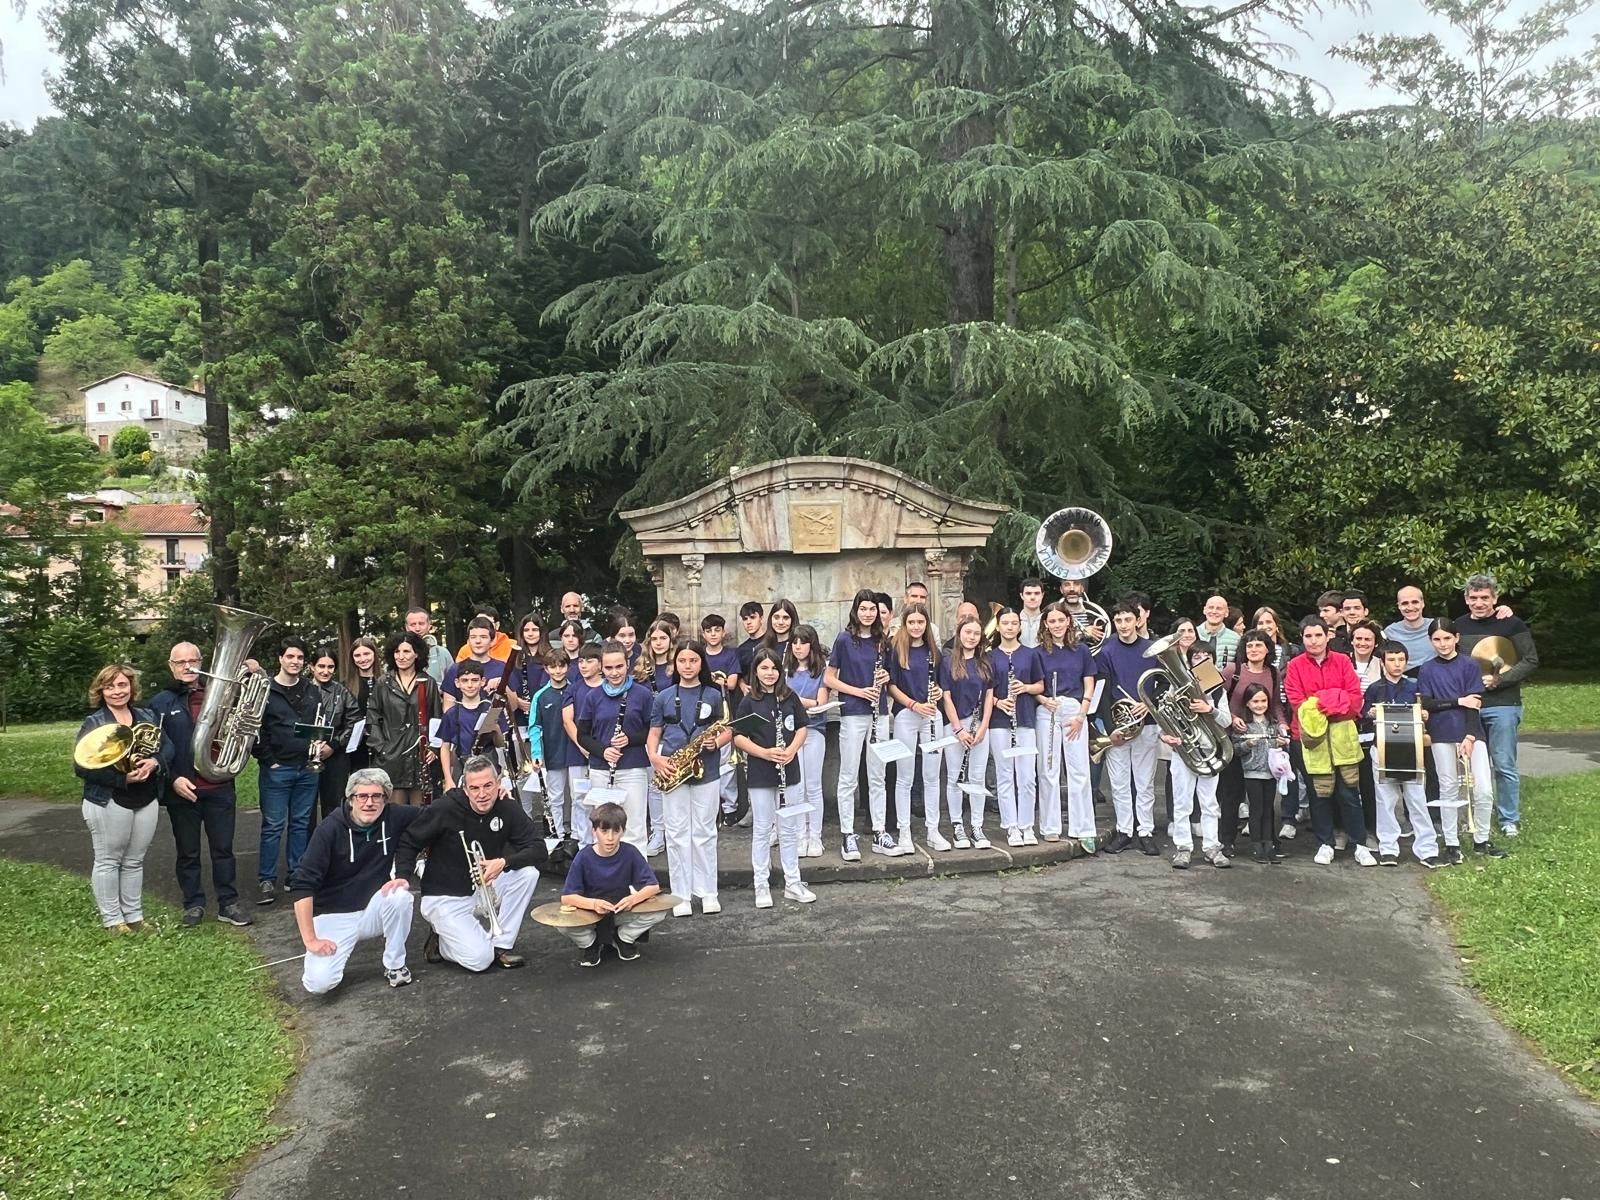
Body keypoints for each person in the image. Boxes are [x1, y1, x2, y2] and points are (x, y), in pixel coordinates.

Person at [396, 755, 546, 970]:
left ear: (498, 784)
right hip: (445, 897)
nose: (482, 794)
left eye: (488, 786)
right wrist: (402, 876)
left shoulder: (507, 807)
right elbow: (409, 841)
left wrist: (504, 862)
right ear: (465, 789)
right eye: (475, 788)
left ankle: (500, 945)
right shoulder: (445, 808)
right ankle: (442, 942)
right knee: (479, 961)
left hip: (482, 889)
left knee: (528, 873)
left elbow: (539, 849)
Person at [289, 767, 420, 993]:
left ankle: (395, 965)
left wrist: (496, 796)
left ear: (386, 799)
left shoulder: (395, 816)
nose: (369, 803)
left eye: (376, 796)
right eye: (362, 796)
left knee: (400, 896)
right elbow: (302, 885)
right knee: (319, 984)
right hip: (334, 914)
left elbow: (439, 813)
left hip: (372, 909)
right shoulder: (329, 829)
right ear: (351, 799)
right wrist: (310, 940)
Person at [149, 643, 251, 928]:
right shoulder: (160, 703)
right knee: (188, 852)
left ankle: (228, 903)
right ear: (171, 666)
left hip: (219, 786)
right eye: (180, 662)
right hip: (183, 789)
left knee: (223, 850)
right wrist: (171, 779)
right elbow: (153, 749)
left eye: (192, 661)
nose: (187, 666)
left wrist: (252, 674)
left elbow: (243, 729)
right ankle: (193, 904)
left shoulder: (222, 695)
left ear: (202, 663)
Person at [75, 663, 173, 932]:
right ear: (101, 690)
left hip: (145, 797)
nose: (117, 691)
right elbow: (81, 767)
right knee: (108, 859)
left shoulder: (146, 715)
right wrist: (122, 778)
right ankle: (112, 920)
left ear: (131, 687)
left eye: (122, 685)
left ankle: (134, 917)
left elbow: (168, 747)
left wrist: (154, 762)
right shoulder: (95, 722)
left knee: (134, 860)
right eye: (110, 686)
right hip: (109, 799)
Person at [646, 637, 730, 915]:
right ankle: (680, 894)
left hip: (707, 770)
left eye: (693, 660)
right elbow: (654, 735)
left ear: (701, 663)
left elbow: (726, 728)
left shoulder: (714, 694)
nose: (688, 665)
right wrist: (656, 759)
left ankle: (708, 892)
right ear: (675, 663)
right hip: (673, 768)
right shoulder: (663, 697)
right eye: (682, 660)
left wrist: (716, 743)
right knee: (677, 833)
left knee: (705, 832)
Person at [1453, 573, 1539, 837]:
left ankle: (1509, 819)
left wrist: (1499, 680)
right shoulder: (1458, 626)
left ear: (1495, 598)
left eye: (1485, 598)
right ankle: (1476, 815)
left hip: (1503, 704)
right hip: (1470, 706)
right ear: (1466, 599)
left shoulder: (1511, 623)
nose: (1480, 603)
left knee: (1503, 764)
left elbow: (1530, 660)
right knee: (1471, 767)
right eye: (1474, 598)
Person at [1285, 617, 1373, 867]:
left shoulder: (1344, 661)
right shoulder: (1294, 666)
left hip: (1343, 737)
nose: (1313, 641)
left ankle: (1359, 843)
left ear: (1327, 637)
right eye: (1308, 636)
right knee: (1318, 793)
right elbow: (1299, 704)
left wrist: (1320, 702)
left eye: (1318, 635)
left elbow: (1355, 701)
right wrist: (1334, 700)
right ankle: (1325, 843)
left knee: (1348, 792)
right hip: (1309, 739)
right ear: (1302, 639)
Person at [1419, 618, 1508, 864]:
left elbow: (1475, 702)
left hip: (1471, 733)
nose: (1442, 644)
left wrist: (1469, 735)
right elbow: (1427, 703)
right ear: (1430, 641)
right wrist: (1458, 701)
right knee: (1448, 788)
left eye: (1447, 638)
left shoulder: (1469, 665)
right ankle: (1451, 843)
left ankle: (1481, 838)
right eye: (1437, 639)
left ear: (1456, 638)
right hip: (1440, 733)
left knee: (1482, 788)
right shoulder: (1427, 669)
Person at [735, 647, 817, 906]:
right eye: (764, 668)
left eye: (773, 668)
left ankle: (793, 882)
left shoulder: (789, 697)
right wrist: (764, 753)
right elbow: (739, 737)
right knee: (762, 828)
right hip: (762, 770)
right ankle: (761, 884)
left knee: (789, 829)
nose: (769, 673)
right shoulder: (750, 701)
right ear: (755, 672)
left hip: (788, 769)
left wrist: (792, 750)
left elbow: (803, 727)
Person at [825, 588, 895, 861]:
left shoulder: (882, 641)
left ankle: (879, 831)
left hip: (879, 713)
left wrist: (886, 675)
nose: (868, 613)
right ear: (856, 611)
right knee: (849, 775)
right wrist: (858, 691)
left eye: (872, 609)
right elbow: (830, 678)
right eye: (863, 608)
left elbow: (889, 677)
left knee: (877, 774)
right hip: (853, 712)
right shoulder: (844, 639)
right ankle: (847, 835)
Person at [255, 638, 327, 905]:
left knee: (300, 824)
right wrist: (269, 760)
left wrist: (319, 742)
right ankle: (267, 879)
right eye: (290, 657)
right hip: (277, 768)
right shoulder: (266, 691)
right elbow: (256, 730)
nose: (295, 662)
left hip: (307, 768)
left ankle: (297, 876)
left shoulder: (312, 690)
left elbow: (318, 724)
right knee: (272, 826)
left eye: (299, 658)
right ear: (280, 659)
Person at [557, 802, 669, 967]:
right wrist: (593, 904)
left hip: (620, 909)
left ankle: (623, 937)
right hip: (590, 914)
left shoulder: (630, 852)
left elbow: (653, 886)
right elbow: (567, 897)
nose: (610, 838)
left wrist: (633, 900)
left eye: (616, 831)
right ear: (594, 831)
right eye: (604, 831)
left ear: (623, 831)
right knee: (563, 925)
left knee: (660, 912)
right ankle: (590, 943)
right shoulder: (583, 856)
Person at [1364, 642, 1440, 868]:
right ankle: (1388, 847)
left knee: (1417, 799)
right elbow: (1364, 713)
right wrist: (1370, 712)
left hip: (1412, 748)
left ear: (1406, 662)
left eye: (1400, 660)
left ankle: (1427, 849)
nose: (1396, 665)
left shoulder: (1415, 687)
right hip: (1384, 747)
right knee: (1385, 799)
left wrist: (1425, 713)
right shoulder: (1375, 688)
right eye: (1391, 660)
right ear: (1383, 662)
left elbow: (1426, 710)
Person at [575, 641, 655, 853]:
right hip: (602, 769)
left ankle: (638, 882)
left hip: (633, 767)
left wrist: (630, 739)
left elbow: (653, 730)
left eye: (619, 666)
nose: (614, 672)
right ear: (601, 667)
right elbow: (582, 735)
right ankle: (606, 881)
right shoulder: (592, 696)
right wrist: (603, 751)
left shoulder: (642, 694)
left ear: (627, 664)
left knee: (634, 827)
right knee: (604, 827)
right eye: (608, 667)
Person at [1098, 601, 1161, 856]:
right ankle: (1125, 830)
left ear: (1138, 620)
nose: (1123, 625)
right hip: (1119, 728)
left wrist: (1148, 705)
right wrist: (1111, 728)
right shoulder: (1106, 651)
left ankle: (1145, 831)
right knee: (1119, 783)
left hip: (1147, 724)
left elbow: (1163, 684)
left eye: (1127, 620)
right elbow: (1103, 693)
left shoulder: (1152, 649)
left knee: (1145, 782)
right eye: (1119, 621)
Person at [1163, 642, 1233, 870]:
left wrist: (1209, 709)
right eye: (1196, 656)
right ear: (1189, 661)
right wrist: (1168, 735)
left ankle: (1212, 846)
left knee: (1210, 802)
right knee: (1182, 802)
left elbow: (1227, 720)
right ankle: (1183, 847)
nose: (1201, 659)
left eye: (1206, 656)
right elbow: (1167, 716)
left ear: (1213, 660)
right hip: (1185, 750)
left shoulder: (1218, 689)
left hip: (1210, 748)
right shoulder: (1177, 687)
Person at [1034, 602, 1097, 849]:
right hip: (1048, 710)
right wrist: (1042, 699)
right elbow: (1036, 686)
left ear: (1068, 622)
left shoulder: (1081, 650)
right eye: (1052, 621)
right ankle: (1050, 827)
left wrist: (1082, 715)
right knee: (1048, 770)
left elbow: (1089, 684)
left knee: (1079, 770)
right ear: (1046, 625)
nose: (1057, 625)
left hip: (1074, 711)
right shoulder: (1038, 652)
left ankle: (1083, 827)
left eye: (1061, 620)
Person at [886, 602, 947, 852]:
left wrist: (939, 691)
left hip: (932, 715)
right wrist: (913, 705)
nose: (916, 626)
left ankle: (933, 830)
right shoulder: (896, 649)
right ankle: (904, 833)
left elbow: (943, 686)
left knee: (932, 777)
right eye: (911, 622)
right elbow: (891, 686)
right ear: (904, 624)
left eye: (920, 622)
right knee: (905, 777)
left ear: (927, 624)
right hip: (906, 715)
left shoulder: (935, 652)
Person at [366, 631, 441, 807]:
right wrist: (383, 749)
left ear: (417, 654)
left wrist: (434, 747)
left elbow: (437, 717)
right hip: (392, 758)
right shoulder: (383, 683)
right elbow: (372, 718)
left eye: (406, 651)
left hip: (419, 757)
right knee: (395, 814)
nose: (401, 656)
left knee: (420, 817)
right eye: (397, 652)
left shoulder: (427, 682)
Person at [987, 608, 1042, 846]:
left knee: (1028, 776)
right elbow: (985, 692)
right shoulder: (989, 657)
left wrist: (1025, 688)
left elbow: (1041, 686)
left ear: (1019, 626)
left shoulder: (1031, 654)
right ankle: (1011, 826)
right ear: (998, 627)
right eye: (1005, 623)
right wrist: (999, 702)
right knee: (1005, 774)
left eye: (1014, 623)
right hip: (999, 722)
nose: (1010, 627)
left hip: (1025, 719)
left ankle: (1027, 825)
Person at [939, 615, 995, 848]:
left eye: (975, 633)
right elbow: (946, 696)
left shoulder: (985, 662)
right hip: (956, 727)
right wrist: (958, 729)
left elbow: (990, 696)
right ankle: (957, 826)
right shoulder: (948, 661)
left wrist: (983, 728)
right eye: (967, 633)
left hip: (980, 726)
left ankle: (977, 826)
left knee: (977, 777)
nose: (971, 637)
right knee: (955, 777)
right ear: (959, 634)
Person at [785, 625, 831, 858]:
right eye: (794, 643)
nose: (798, 647)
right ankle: (799, 835)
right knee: (796, 786)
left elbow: (820, 703)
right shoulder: (785, 672)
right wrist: (804, 702)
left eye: (803, 643)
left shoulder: (821, 672)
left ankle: (815, 836)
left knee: (813, 786)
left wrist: (795, 700)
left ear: (811, 645)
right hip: (791, 733)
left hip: (814, 731)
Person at [1230, 684, 1287, 865]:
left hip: (1270, 773)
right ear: (1247, 703)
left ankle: (1269, 844)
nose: (1260, 705)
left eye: (1263, 701)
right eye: (1255, 701)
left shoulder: (1273, 724)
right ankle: (1256, 845)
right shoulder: (1243, 726)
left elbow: (1281, 746)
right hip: (1252, 772)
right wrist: (1248, 744)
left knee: (1269, 810)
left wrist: (1281, 743)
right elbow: (1236, 749)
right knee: (1256, 810)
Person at [528, 651, 582, 838]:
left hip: (577, 752)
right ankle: (558, 833)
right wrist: (537, 753)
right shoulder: (540, 696)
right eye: (553, 666)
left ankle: (577, 834)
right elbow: (534, 727)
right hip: (553, 752)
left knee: (578, 796)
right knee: (556, 796)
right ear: (546, 668)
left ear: (568, 667)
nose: (558, 671)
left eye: (562, 666)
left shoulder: (577, 690)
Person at [436, 661, 509, 791]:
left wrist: (496, 728)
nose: (470, 685)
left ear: (483, 681)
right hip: (462, 767)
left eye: (475, 680)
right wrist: (448, 779)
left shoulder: (491, 709)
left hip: (488, 765)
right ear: (457, 683)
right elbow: (445, 747)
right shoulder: (451, 713)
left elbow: (500, 744)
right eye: (465, 681)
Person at [308, 647, 362, 821]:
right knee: (305, 808)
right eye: (321, 666)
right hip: (306, 754)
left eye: (330, 667)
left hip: (336, 755)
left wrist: (334, 745)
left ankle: (333, 845)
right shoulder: (302, 689)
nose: (325, 671)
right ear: (311, 667)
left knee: (334, 807)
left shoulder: (341, 692)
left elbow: (355, 722)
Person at [636, 618, 675, 854]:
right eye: (655, 638)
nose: (659, 643)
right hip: (650, 730)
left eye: (663, 638)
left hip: (673, 730)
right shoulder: (641, 669)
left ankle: (673, 831)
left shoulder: (675, 667)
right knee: (655, 785)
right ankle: (658, 832)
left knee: (673, 783)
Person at [701, 613, 743, 823]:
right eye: (709, 631)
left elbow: (733, 683)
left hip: (725, 711)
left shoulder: (730, 654)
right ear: (703, 634)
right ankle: (711, 807)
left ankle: (730, 807)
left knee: (727, 762)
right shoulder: (701, 655)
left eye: (717, 630)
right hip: (703, 712)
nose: (713, 634)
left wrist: (715, 680)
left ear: (723, 632)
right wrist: (717, 679)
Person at [442, 617, 508, 711]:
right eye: (473, 637)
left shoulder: (503, 668)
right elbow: (448, 707)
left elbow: (513, 707)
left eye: (483, 637)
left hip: (495, 724)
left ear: (492, 641)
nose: (478, 641)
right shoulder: (455, 669)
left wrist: (503, 686)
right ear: (468, 641)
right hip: (464, 724)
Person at [344, 636, 379, 773]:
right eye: (357, 655)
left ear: (374, 655)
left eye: (366, 653)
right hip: (356, 749)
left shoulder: (386, 683)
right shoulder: (345, 686)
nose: (362, 659)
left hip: (380, 748)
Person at [1383, 586, 1436, 672]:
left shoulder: (1436, 627)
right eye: (1405, 603)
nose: (1410, 607)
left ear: (1423, 603)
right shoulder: (1390, 632)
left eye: (1415, 602)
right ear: (1399, 606)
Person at [405, 607, 453, 683]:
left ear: (429, 625)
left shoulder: (441, 653)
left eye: (421, 624)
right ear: (406, 627)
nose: (417, 628)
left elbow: (453, 683)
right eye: (413, 624)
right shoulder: (399, 654)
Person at [1199, 595, 1240, 665]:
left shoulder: (1236, 639)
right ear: (1204, 610)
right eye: (1211, 607)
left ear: (1226, 613)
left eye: (1219, 608)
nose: (1214, 611)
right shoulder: (1193, 634)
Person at [735, 601, 766, 681]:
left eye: (752, 617)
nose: (748, 622)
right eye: (745, 619)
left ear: (761, 619)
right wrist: (741, 683)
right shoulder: (741, 649)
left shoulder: (772, 641)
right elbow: (739, 675)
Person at [762, 599, 798, 665]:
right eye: (776, 617)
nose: (780, 622)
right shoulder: (760, 648)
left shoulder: (799, 647)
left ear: (793, 620)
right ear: (771, 619)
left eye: (786, 618)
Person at [1017, 577, 1046, 647]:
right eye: (1028, 593)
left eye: (1037, 593)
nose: (1032, 597)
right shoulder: (1014, 621)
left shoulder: (1048, 620)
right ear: (1021, 596)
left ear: (1042, 595)